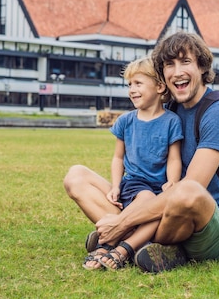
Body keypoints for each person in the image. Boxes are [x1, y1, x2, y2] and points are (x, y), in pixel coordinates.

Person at [64, 31, 219, 273]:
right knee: (76, 176)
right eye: (169, 64)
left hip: (208, 225)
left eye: (186, 61)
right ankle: (143, 243)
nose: (177, 71)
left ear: (202, 66)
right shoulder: (172, 109)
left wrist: (120, 222)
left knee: (187, 190)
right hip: (161, 210)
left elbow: (191, 188)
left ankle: (122, 239)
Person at [77, 56, 183, 270]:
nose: (132, 90)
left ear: (160, 87)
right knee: (147, 199)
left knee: (157, 207)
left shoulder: (172, 121)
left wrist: (172, 181)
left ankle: (118, 246)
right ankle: (114, 243)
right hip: (134, 186)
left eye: (138, 83)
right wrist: (115, 186)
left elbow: (174, 158)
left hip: (158, 189)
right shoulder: (126, 121)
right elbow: (118, 158)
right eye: (129, 85)